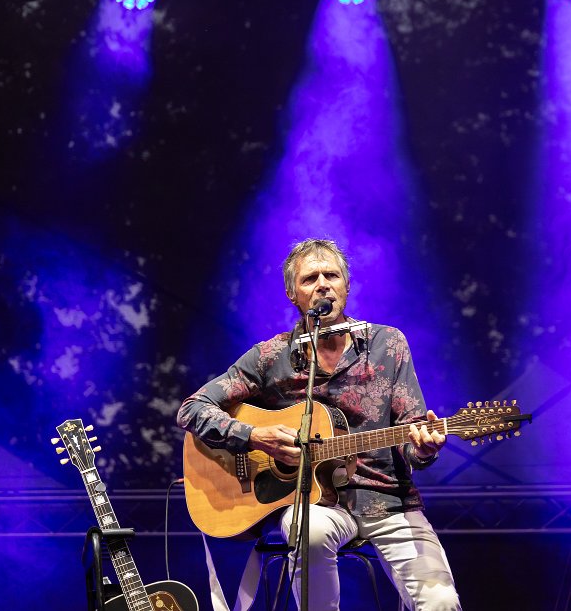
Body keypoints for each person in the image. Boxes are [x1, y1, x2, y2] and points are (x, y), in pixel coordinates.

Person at [177, 238, 461, 611]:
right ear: (292, 294)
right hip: (313, 502)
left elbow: (411, 434)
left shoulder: (388, 344)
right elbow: (192, 409)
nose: (323, 284)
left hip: (389, 501)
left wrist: (423, 448)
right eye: (310, 278)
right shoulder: (272, 356)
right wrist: (254, 437)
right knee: (307, 529)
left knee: (441, 602)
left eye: (332, 275)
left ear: (347, 285)